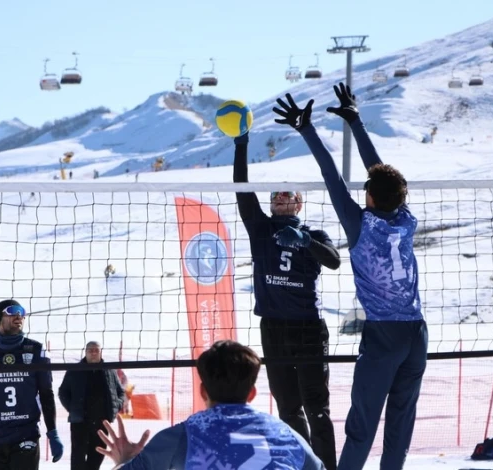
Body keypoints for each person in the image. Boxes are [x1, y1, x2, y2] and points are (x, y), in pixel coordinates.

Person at [272, 82, 428, 470]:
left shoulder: (361, 225)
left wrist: (306, 129)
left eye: (368, 190)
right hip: (417, 333)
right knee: (399, 431)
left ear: (371, 196)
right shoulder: (406, 220)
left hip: (385, 335)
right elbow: (382, 176)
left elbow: (331, 175)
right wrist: (355, 123)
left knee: (362, 428)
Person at [232, 131, 341, 469]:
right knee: (287, 408)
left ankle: (328, 466)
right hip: (274, 328)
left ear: (298, 203)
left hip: (308, 328)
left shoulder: (315, 235)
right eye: (275, 195)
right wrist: (241, 146)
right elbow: (242, 190)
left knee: (316, 406)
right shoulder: (260, 229)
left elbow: (333, 260)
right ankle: (304, 464)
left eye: (286, 195)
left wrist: (304, 240)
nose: (279, 198)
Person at [96, 340, 324, 470]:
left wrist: (126, 461)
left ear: (202, 391)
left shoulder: (182, 437)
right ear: (252, 393)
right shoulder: (287, 436)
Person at [0, 299, 64, 469]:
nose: (19, 315)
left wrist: (52, 432)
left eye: (22, 311)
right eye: (12, 310)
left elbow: (46, 394)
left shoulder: (36, 350)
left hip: (26, 436)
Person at [58, 341, 125, 470]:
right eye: (90, 350)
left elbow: (120, 392)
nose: (93, 353)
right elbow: (63, 392)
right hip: (80, 422)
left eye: (96, 350)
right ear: (85, 352)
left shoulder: (109, 370)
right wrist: (72, 409)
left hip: (102, 422)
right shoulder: (75, 370)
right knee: (78, 458)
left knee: (97, 456)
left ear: (100, 352)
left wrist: (116, 406)